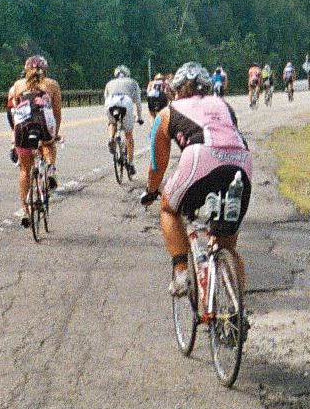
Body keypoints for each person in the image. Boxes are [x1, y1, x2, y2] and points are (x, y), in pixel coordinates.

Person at [141, 62, 252, 298]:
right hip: (241, 162)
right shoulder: (225, 105)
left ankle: (182, 272)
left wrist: (151, 191)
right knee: (227, 245)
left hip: (201, 158)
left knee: (169, 208)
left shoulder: (167, 112)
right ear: (208, 87)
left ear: (175, 90)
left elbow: (157, 164)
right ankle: (237, 309)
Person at [6, 55, 62, 224]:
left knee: (24, 169)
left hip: (23, 127)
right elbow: (57, 113)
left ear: (26, 70)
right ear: (46, 71)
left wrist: (14, 134)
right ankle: (50, 169)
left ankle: (25, 211)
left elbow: (13, 111)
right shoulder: (52, 84)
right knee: (49, 144)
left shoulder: (18, 85)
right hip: (42, 123)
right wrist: (55, 134)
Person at [102, 64, 143, 166]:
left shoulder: (109, 83)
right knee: (128, 134)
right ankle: (131, 162)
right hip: (125, 101)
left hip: (110, 102)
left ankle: (111, 138)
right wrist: (139, 117)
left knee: (112, 123)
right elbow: (138, 102)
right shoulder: (133, 82)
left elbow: (106, 97)